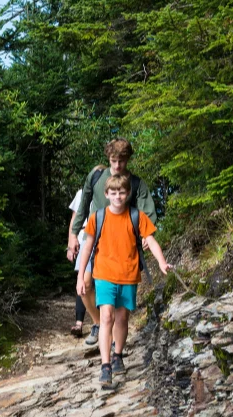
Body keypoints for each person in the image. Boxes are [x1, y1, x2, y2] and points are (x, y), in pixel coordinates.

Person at [75, 173, 170, 390]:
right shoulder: (97, 217)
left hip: (128, 276)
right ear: (107, 194)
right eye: (113, 193)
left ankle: (118, 355)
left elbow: (152, 242)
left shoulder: (137, 216)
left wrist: (162, 263)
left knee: (122, 319)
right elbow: (87, 248)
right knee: (106, 316)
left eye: (122, 193)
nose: (118, 197)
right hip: (104, 275)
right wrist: (81, 276)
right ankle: (106, 365)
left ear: (127, 194)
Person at [68, 139, 157, 346]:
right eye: (113, 161)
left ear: (128, 160)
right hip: (93, 239)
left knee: (118, 300)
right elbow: (83, 206)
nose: (117, 166)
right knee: (85, 285)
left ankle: (113, 336)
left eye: (122, 161)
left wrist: (146, 236)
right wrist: (74, 234)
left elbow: (147, 214)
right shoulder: (97, 177)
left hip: (122, 246)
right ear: (108, 159)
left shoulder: (136, 184)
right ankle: (99, 324)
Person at [67, 187, 97, 338]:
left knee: (95, 282)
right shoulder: (81, 193)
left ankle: (97, 322)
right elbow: (74, 219)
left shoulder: (108, 191)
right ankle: (79, 322)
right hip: (83, 237)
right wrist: (70, 244)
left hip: (100, 237)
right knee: (83, 281)